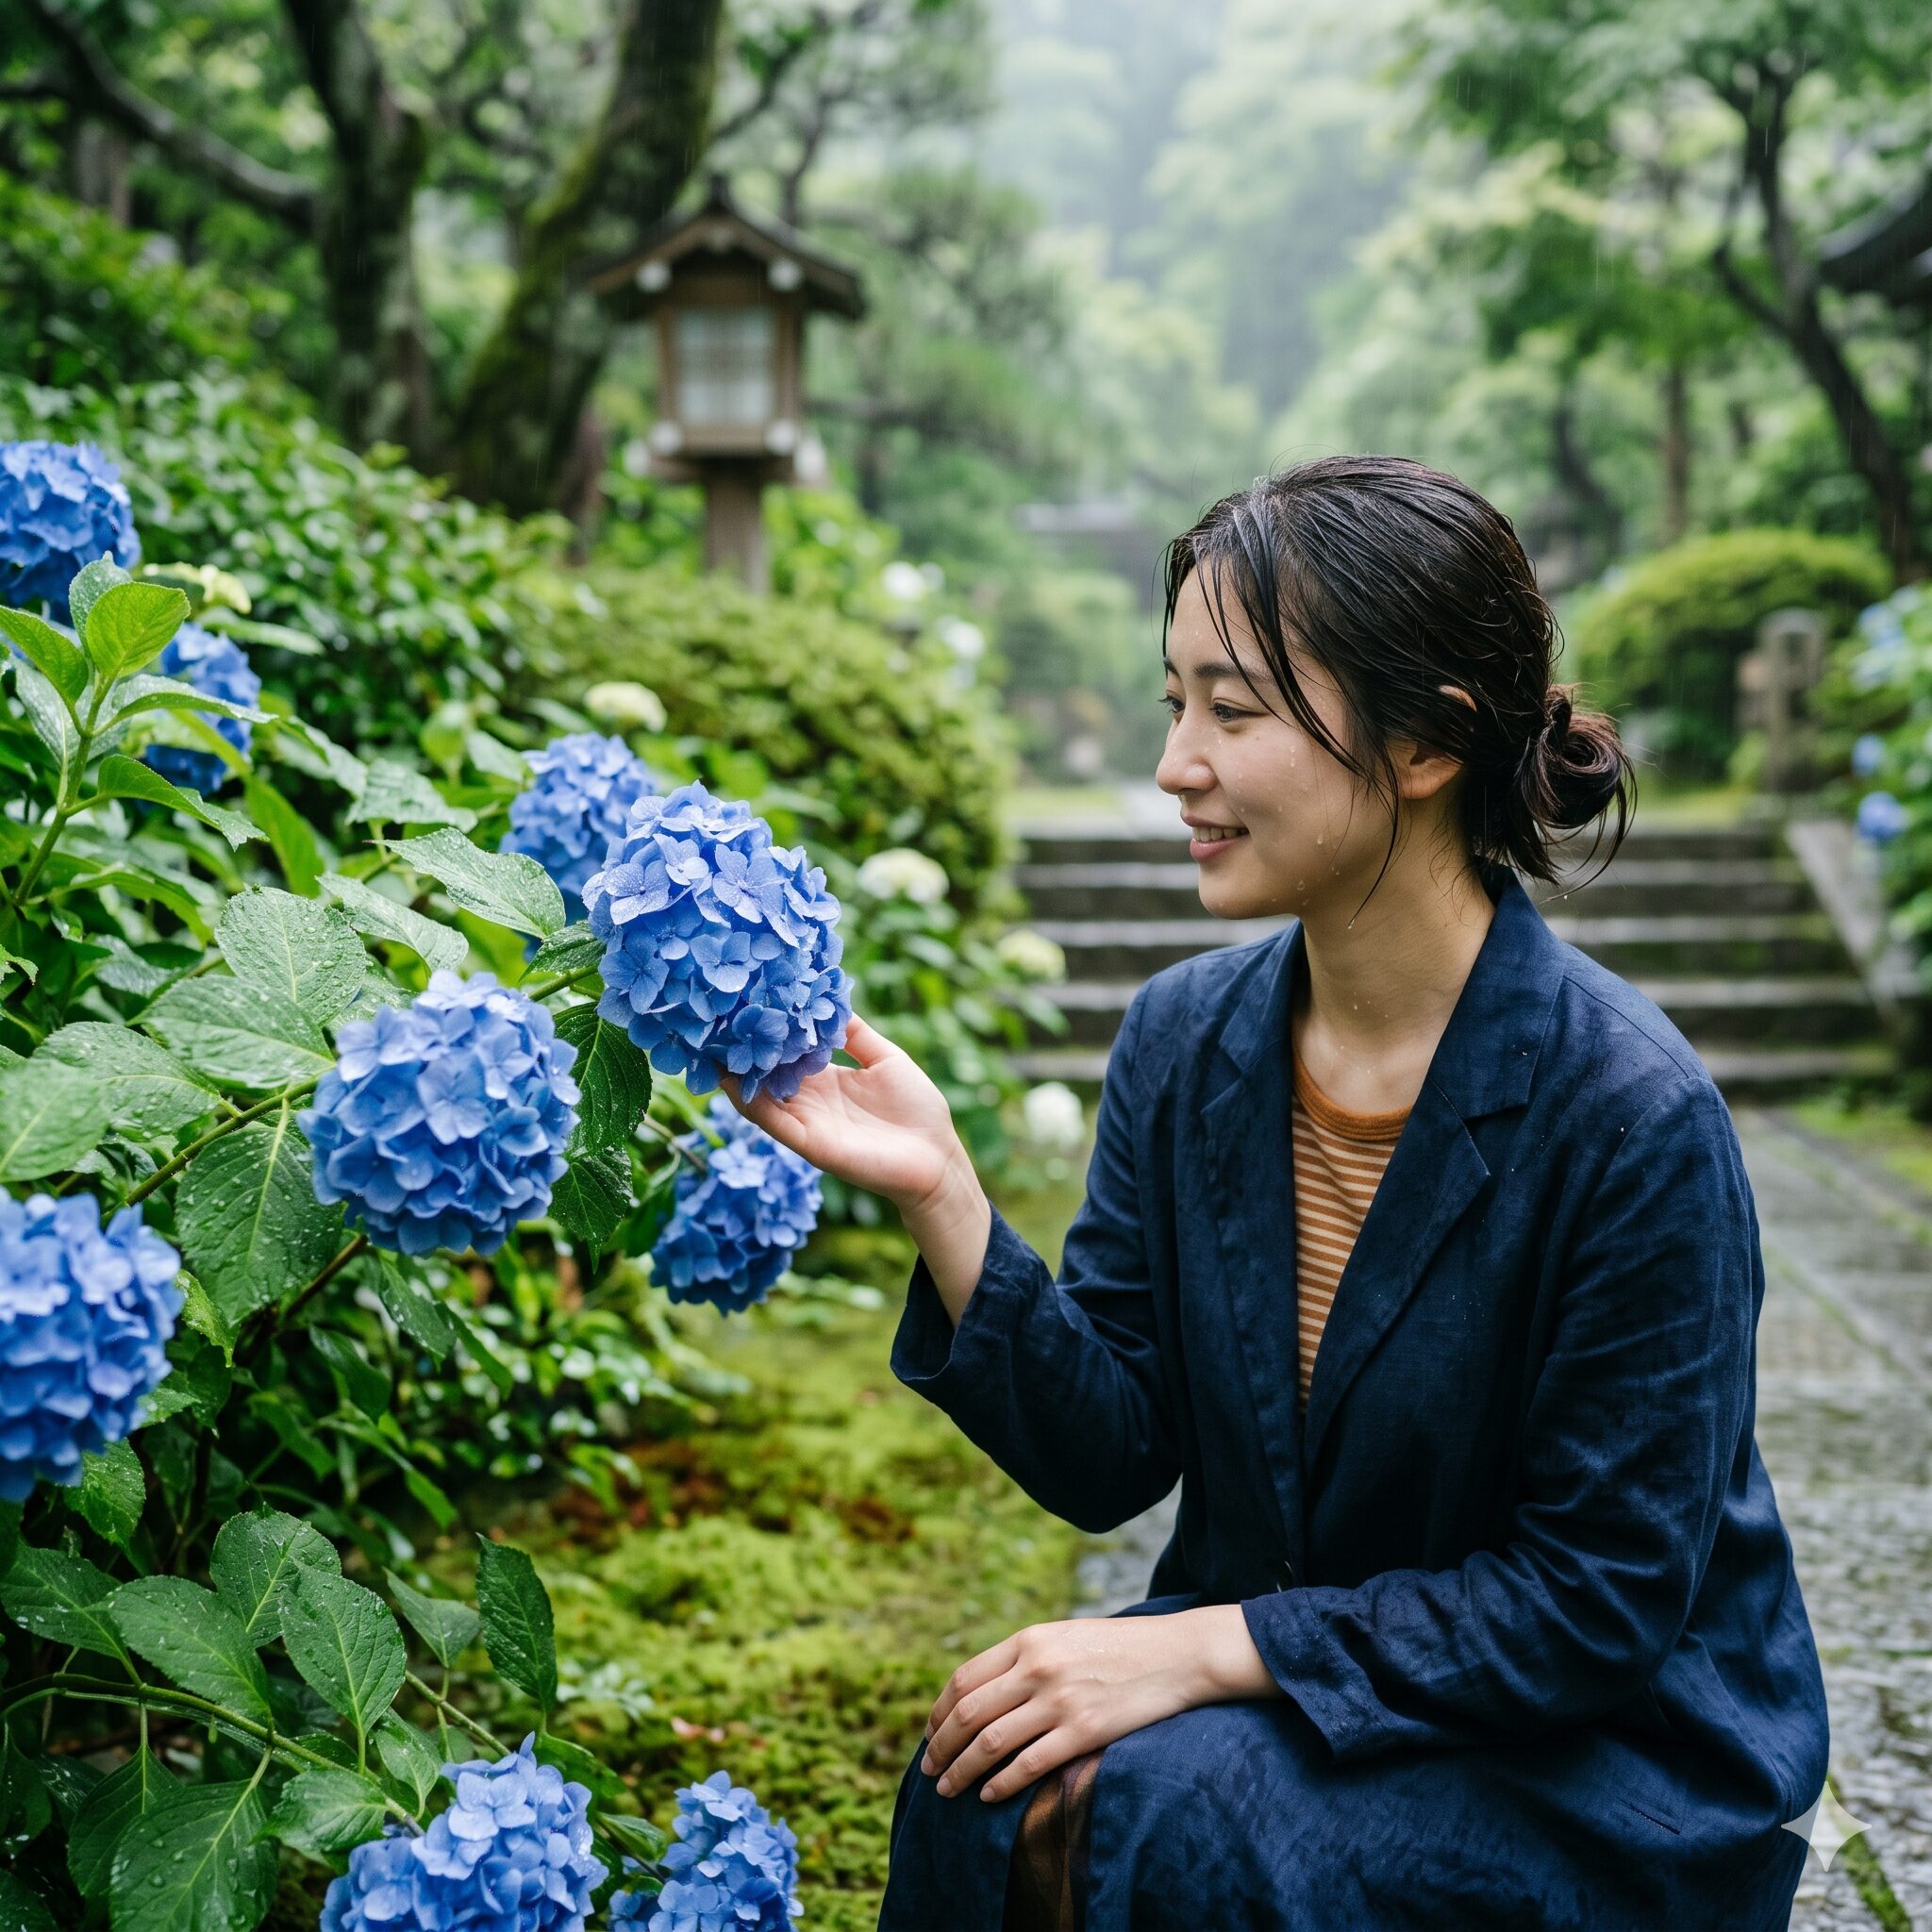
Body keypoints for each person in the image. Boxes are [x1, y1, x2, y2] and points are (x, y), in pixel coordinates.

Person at [728, 455, 1830, 1931]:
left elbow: (1594, 1603)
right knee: (978, 1774)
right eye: (1173, 702)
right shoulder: (1185, 1041)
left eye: (1232, 711)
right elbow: (1116, 1451)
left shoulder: (1629, 1115)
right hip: (1298, 1692)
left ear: (1427, 742)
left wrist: (1205, 1648)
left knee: (1173, 1817)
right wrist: (946, 1196)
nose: (1175, 763)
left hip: (1596, 1757)